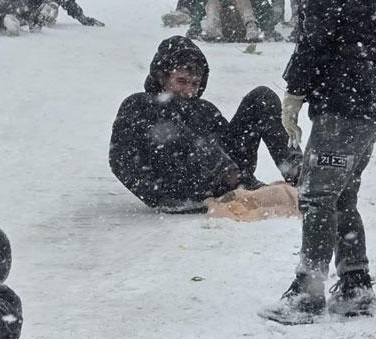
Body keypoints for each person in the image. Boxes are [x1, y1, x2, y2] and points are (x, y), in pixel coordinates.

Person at [259, 0, 376, 325]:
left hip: (344, 101)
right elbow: (370, 37)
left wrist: (295, 90)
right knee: (342, 194)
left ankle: (307, 293)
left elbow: (317, 34)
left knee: (318, 196)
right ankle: (355, 285)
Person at [109, 36, 301, 213]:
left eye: (194, 84)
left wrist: (238, 179)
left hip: (226, 181)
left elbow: (229, 146)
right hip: (180, 187)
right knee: (164, 104)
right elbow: (121, 159)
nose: (188, 91)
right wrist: (158, 197)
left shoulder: (204, 109)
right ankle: (225, 177)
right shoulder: (139, 105)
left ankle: (301, 175)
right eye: (181, 81)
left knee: (262, 97)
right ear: (162, 78)